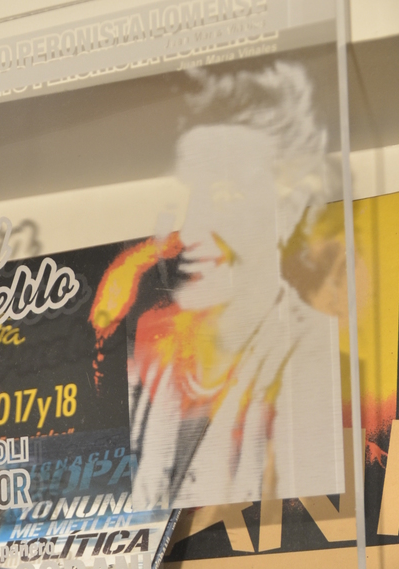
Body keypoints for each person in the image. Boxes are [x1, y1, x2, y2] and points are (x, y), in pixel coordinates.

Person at [89, 61, 344, 513]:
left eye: (226, 197)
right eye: (187, 200)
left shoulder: (317, 368)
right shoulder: (147, 356)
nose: (191, 231)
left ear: (292, 212)